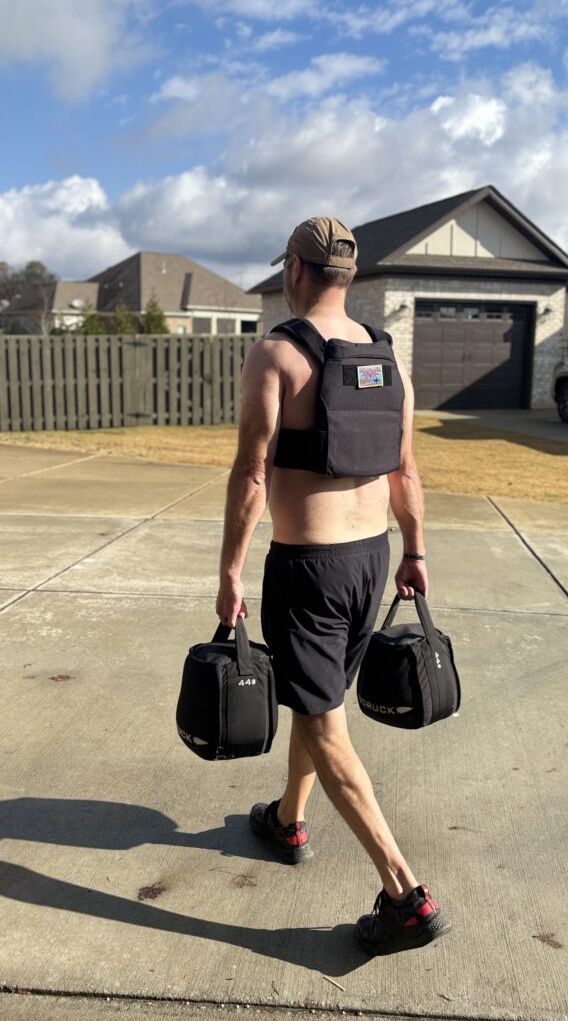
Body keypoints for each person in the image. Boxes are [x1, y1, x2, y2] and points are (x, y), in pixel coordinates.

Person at [216, 216, 449, 956]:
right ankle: (287, 818)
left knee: (321, 721)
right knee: (316, 704)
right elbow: (405, 470)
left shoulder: (277, 355)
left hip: (309, 568)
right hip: (371, 557)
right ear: (346, 275)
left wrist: (228, 571)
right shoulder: (385, 355)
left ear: (293, 268)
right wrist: (415, 549)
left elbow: (252, 474)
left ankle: (405, 894)